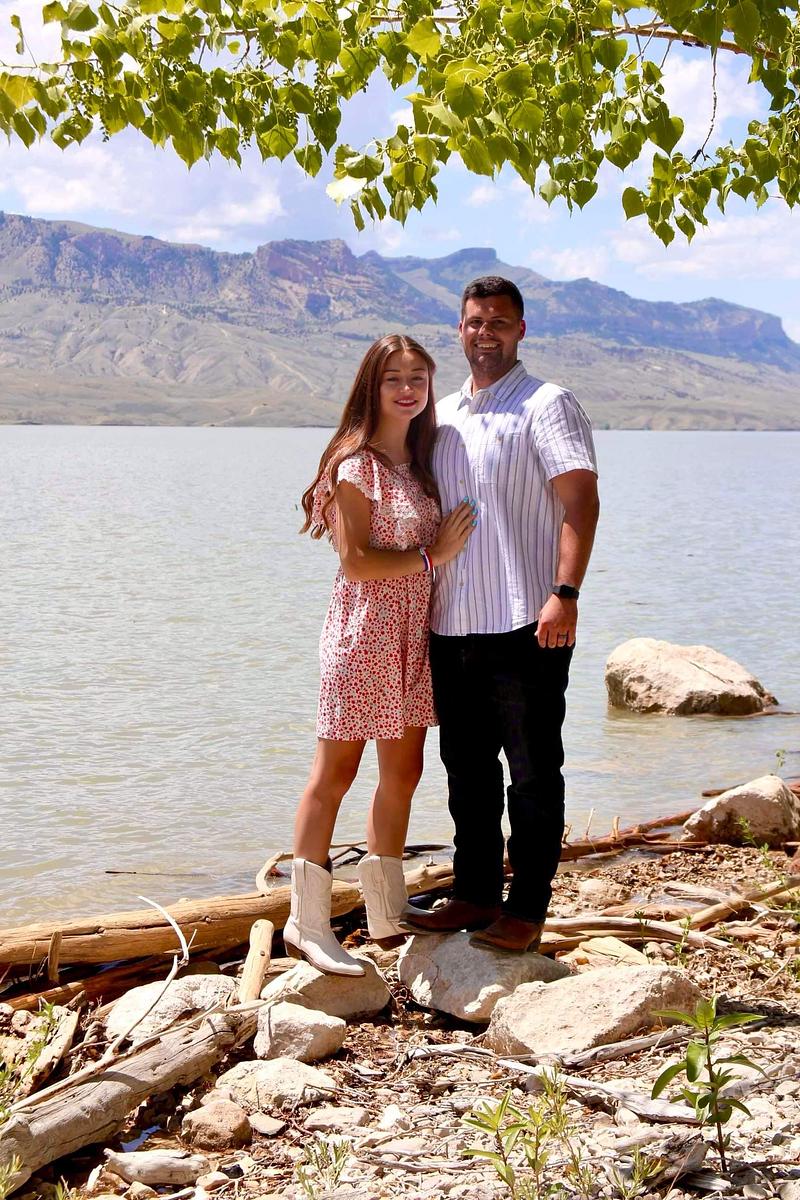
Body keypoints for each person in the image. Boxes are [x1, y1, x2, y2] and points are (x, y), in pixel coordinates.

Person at [405, 277, 600, 953]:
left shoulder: (548, 404)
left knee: (533, 771)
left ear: (520, 329)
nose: (484, 332)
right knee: (466, 770)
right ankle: (475, 893)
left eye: (497, 321)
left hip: (528, 621)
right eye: (473, 321)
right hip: (452, 622)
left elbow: (580, 504)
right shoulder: (442, 414)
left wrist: (565, 593)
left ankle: (528, 908)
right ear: (459, 330)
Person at [283, 334, 476, 976]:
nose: (408, 388)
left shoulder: (420, 466)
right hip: (364, 634)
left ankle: (386, 911)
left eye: (418, 377)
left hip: (413, 637)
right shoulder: (355, 466)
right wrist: (433, 556)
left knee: (404, 770)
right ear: (373, 385)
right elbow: (357, 561)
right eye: (394, 377)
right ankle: (307, 922)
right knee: (334, 773)